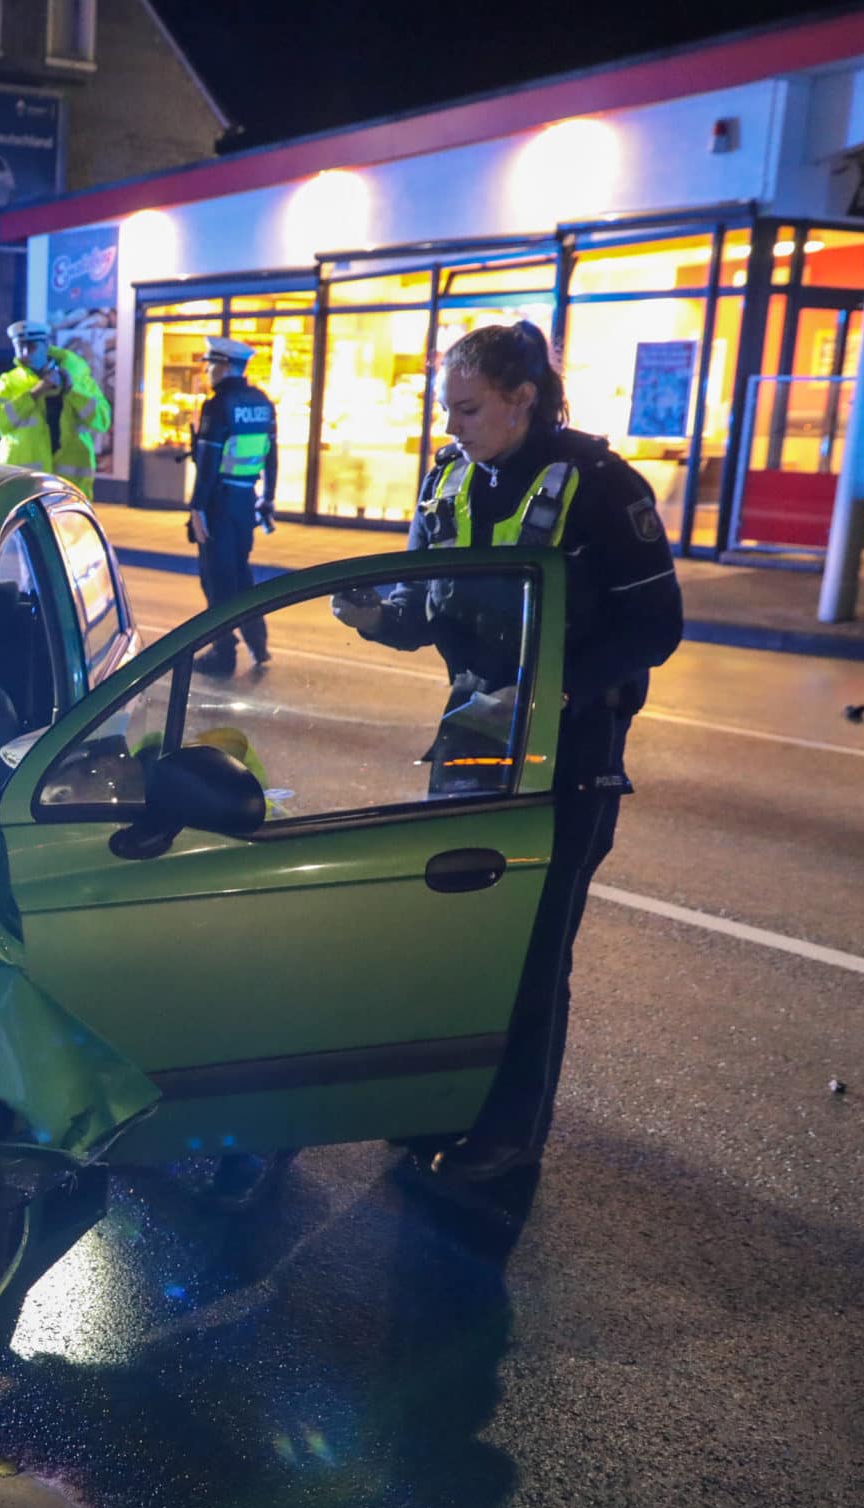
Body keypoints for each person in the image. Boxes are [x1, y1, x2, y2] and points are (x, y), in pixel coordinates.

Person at [333, 321, 682, 1182]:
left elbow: (658, 627)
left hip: (571, 755)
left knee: (530, 950)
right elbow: (424, 611)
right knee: (449, 937)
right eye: (447, 409)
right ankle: (436, 1104)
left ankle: (508, 1134)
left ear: (524, 399)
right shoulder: (451, 477)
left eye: (468, 408)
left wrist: (553, 689)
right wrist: (379, 619)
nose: (452, 427)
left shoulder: (602, 487)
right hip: (474, 740)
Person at [186, 335, 278, 675]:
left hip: (219, 503)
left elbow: (209, 463)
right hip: (245, 502)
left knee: (216, 579)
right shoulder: (262, 402)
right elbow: (272, 457)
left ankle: (223, 653)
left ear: (225, 366)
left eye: (211, 364)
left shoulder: (218, 404)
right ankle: (258, 642)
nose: (208, 370)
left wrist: (197, 509)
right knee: (241, 575)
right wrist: (267, 500)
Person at [0, 319, 107, 497]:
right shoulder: (9, 381)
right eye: (20, 347)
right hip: (23, 484)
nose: (26, 353)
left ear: (46, 345)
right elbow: (0, 422)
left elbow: (102, 420)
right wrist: (34, 394)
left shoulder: (77, 375)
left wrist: (72, 391)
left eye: (32, 346)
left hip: (70, 483)